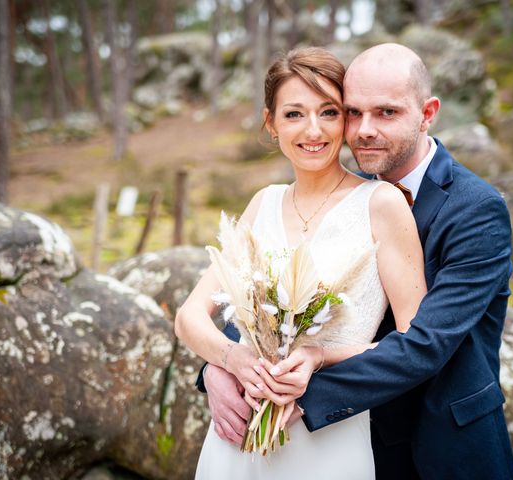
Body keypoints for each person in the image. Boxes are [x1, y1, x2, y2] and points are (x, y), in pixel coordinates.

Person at [200, 43, 513, 480]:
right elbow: (270, 302)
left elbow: (426, 343)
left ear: (428, 113)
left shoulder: (475, 208)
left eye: (387, 112)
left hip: (438, 442)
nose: (364, 129)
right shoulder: (343, 196)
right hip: (356, 437)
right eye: (353, 112)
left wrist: (291, 385)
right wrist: (221, 366)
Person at [174, 46, 427, 479]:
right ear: (271, 123)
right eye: (294, 114)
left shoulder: (381, 204)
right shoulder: (263, 203)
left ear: (345, 119)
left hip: (328, 441)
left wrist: (320, 356)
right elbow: (189, 316)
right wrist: (231, 360)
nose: (314, 130)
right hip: (236, 439)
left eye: (328, 112)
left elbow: (414, 342)